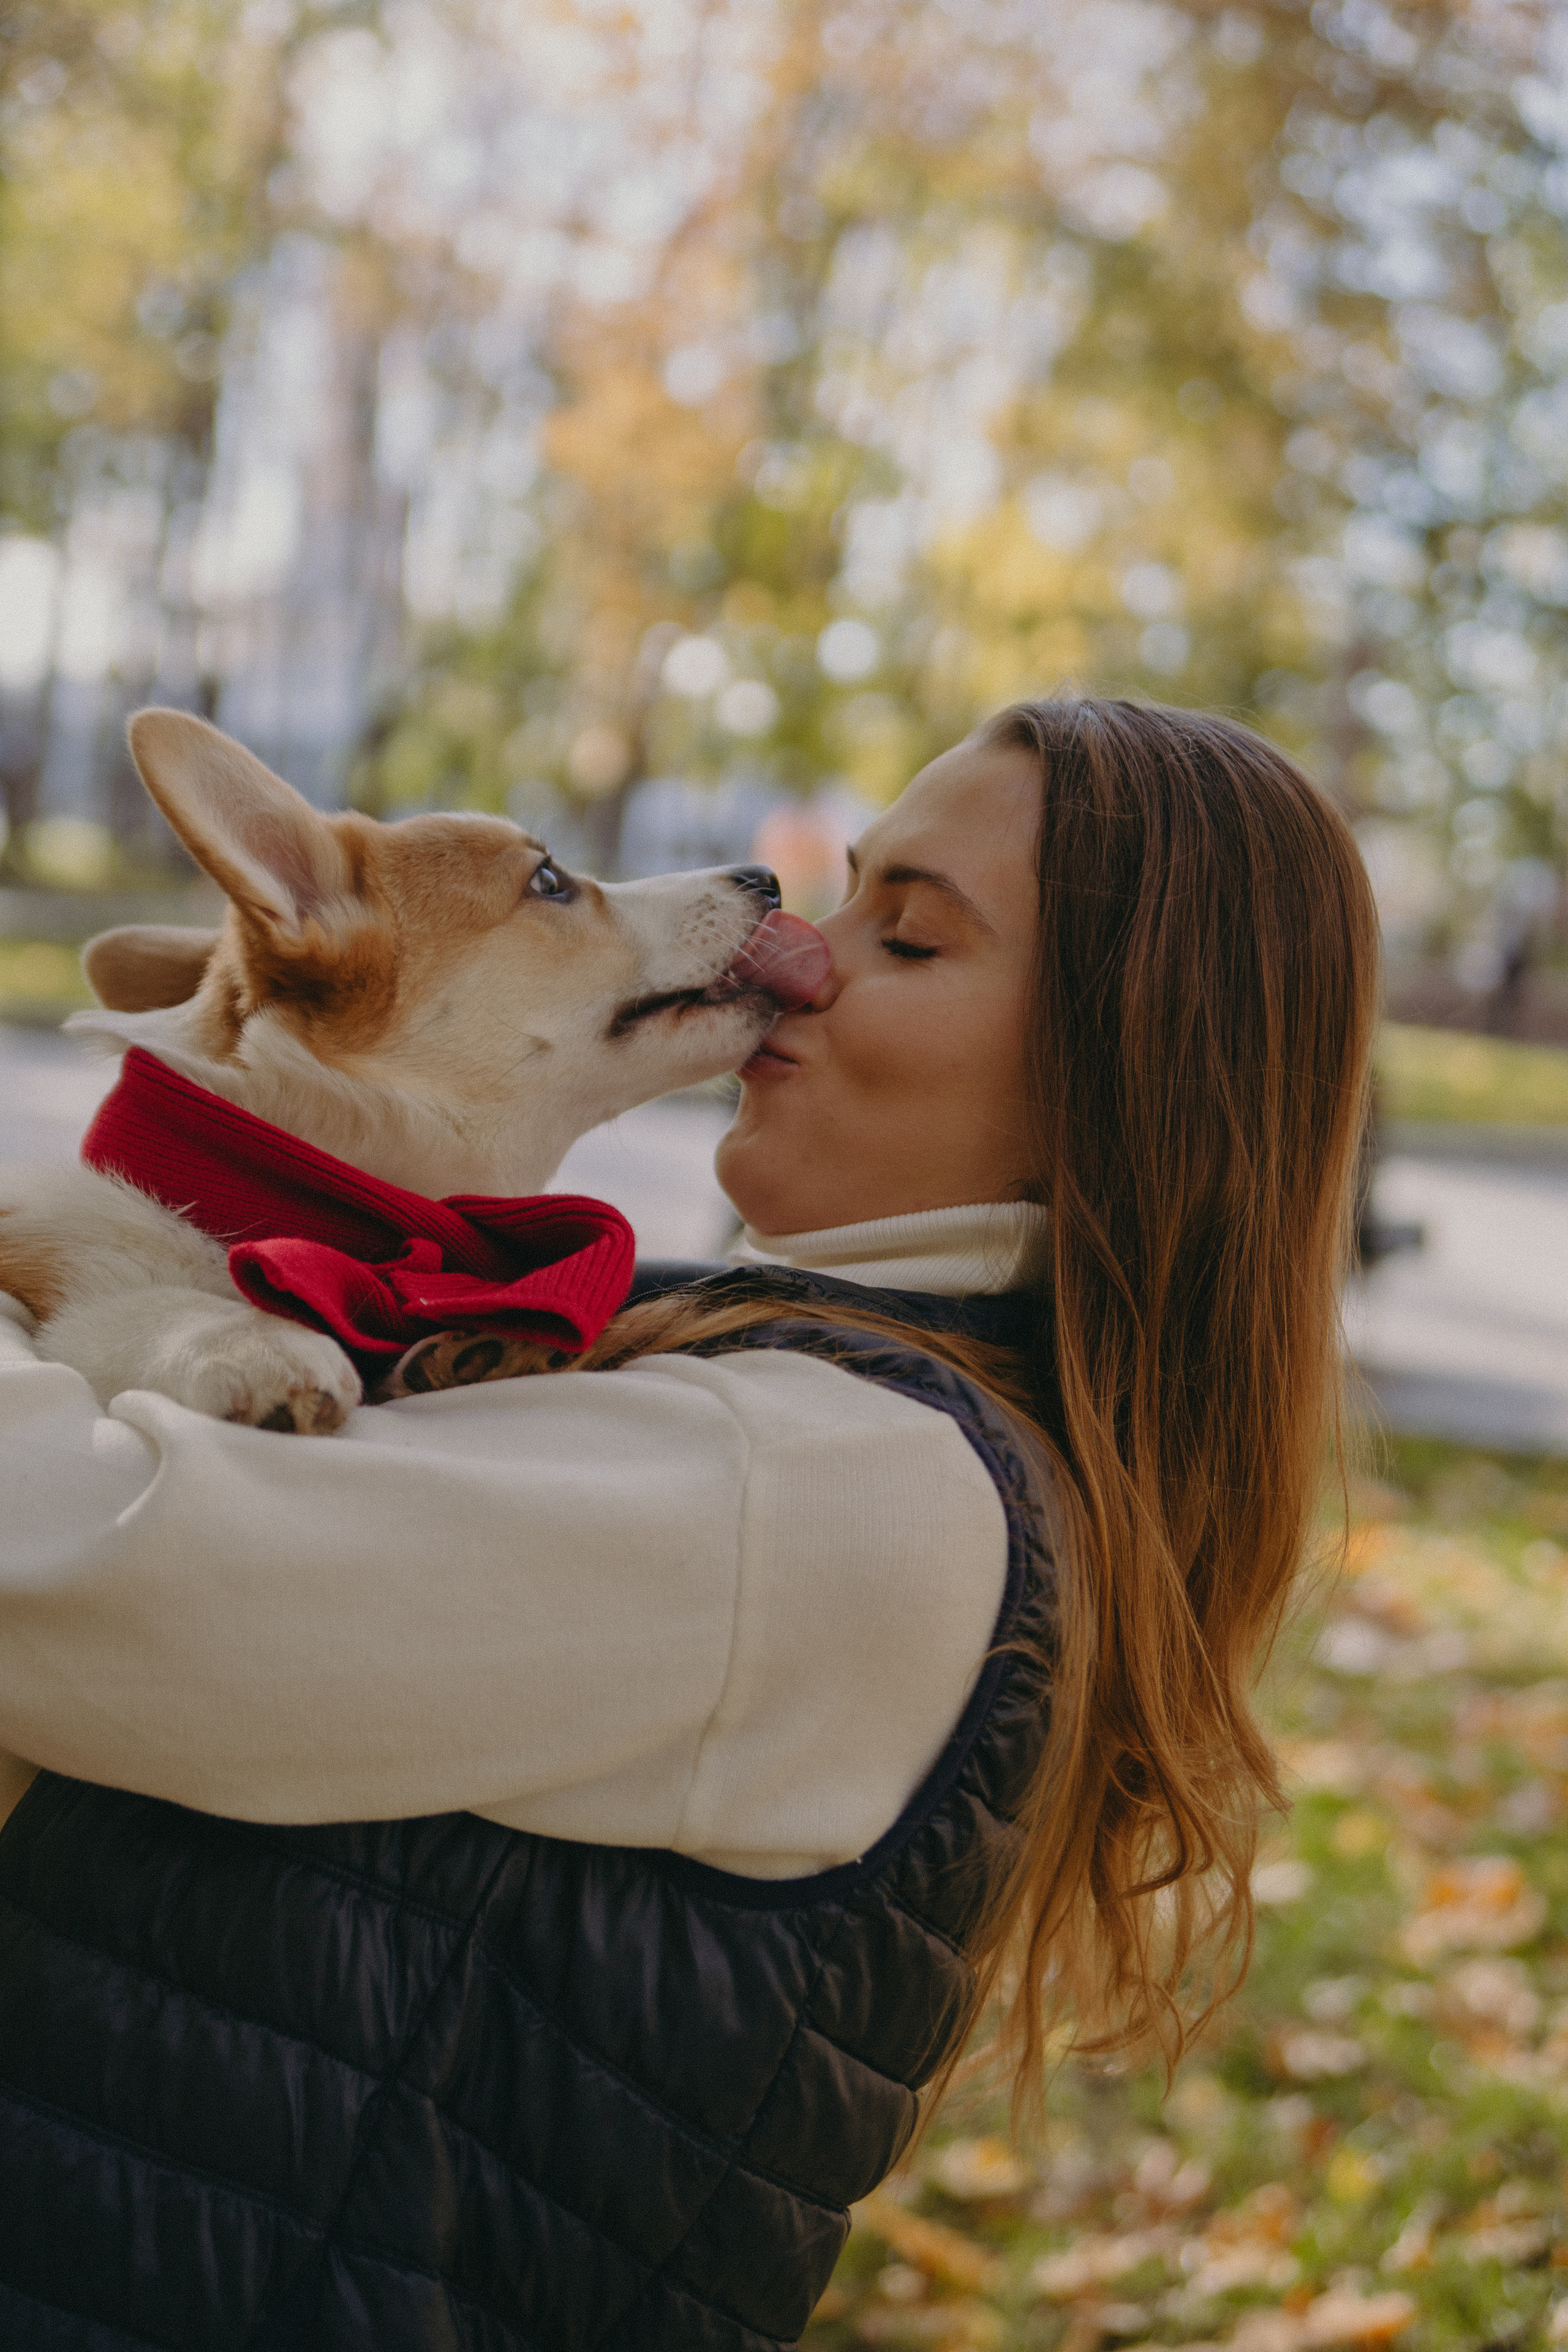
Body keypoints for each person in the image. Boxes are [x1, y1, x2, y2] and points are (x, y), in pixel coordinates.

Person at [0, 695, 1378, 2350]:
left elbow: (70, 1566)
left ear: (1118, 1066)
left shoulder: (824, 1482)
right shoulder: (780, 1377)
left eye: (913, 940)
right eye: (851, 889)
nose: (804, 954)